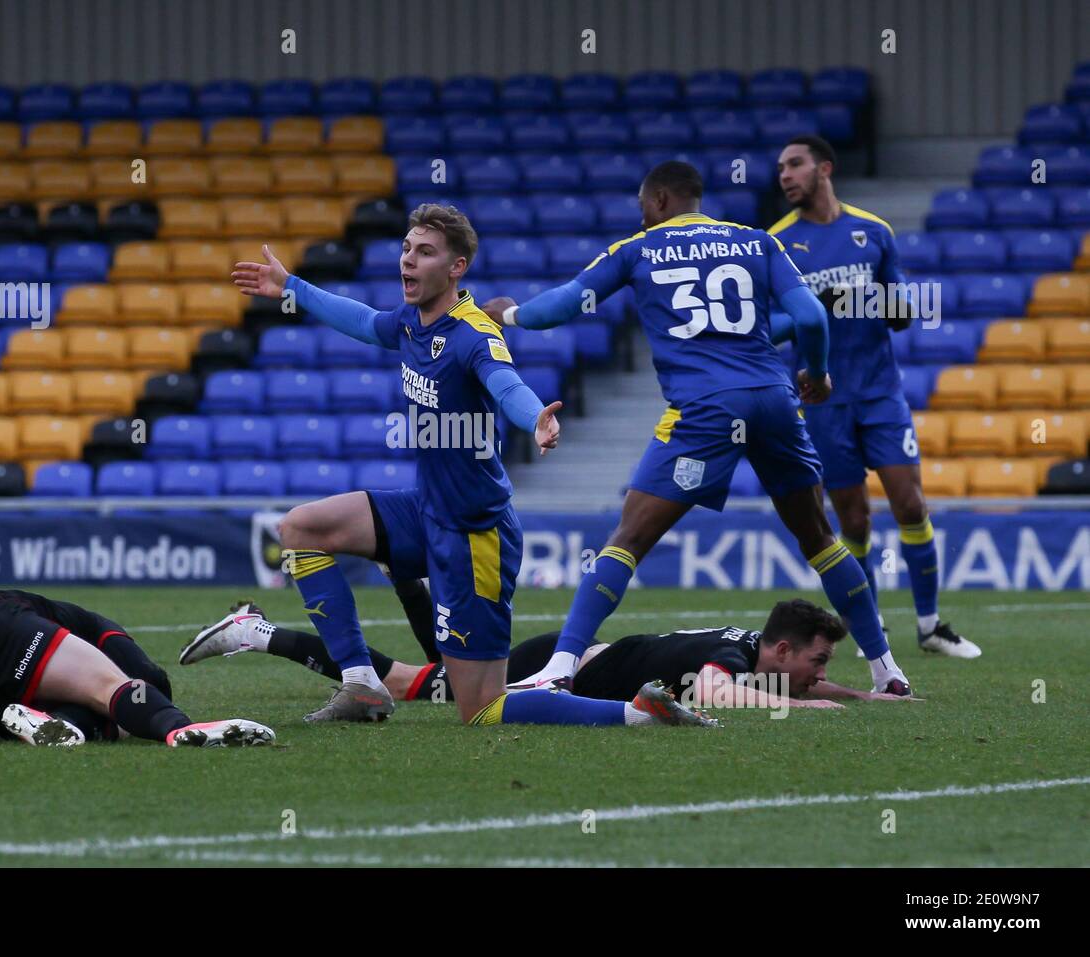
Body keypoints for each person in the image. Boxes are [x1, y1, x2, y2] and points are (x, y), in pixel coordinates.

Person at [231, 204, 716, 730]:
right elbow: (363, 322)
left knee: (482, 708)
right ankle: (362, 686)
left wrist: (535, 420)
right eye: (406, 249)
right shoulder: (412, 323)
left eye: (424, 252)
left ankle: (637, 713)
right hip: (427, 511)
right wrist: (292, 286)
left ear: (456, 267)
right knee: (301, 528)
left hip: (473, 534)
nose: (407, 261)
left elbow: (506, 384)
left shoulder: (474, 334)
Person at [480, 161, 914, 696]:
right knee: (820, 538)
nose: (642, 217)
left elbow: (562, 306)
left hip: (706, 408)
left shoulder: (637, 248)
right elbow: (810, 319)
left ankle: (562, 665)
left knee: (629, 538)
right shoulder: (756, 241)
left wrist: (510, 314)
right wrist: (818, 373)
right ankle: (887, 671)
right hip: (774, 399)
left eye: (644, 207)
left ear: (660, 199)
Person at [768, 135, 980, 658]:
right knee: (853, 519)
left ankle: (930, 626)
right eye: (780, 169)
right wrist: (811, 306)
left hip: (881, 394)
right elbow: (765, 327)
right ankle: (871, 627)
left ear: (825, 168)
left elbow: (903, 306)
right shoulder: (774, 243)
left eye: (795, 165)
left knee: (910, 503)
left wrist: (884, 301)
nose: (785, 176)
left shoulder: (873, 231)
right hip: (823, 400)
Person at [183, 598, 919, 711]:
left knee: (412, 675)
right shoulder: (729, 661)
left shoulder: (758, 652)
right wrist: (814, 711)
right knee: (407, 683)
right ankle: (259, 631)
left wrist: (864, 698)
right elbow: (727, 697)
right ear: (783, 647)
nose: (822, 672)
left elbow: (785, 686)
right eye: (819, 660)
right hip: (553, 664)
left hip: (579, 660)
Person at [0, 588, 275, 747]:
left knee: (68, 722)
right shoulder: (93, 627)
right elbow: (135, 682)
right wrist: (154, 705)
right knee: (108, 689)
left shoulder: (62, 626)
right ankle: (180, 730)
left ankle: (50, 722)